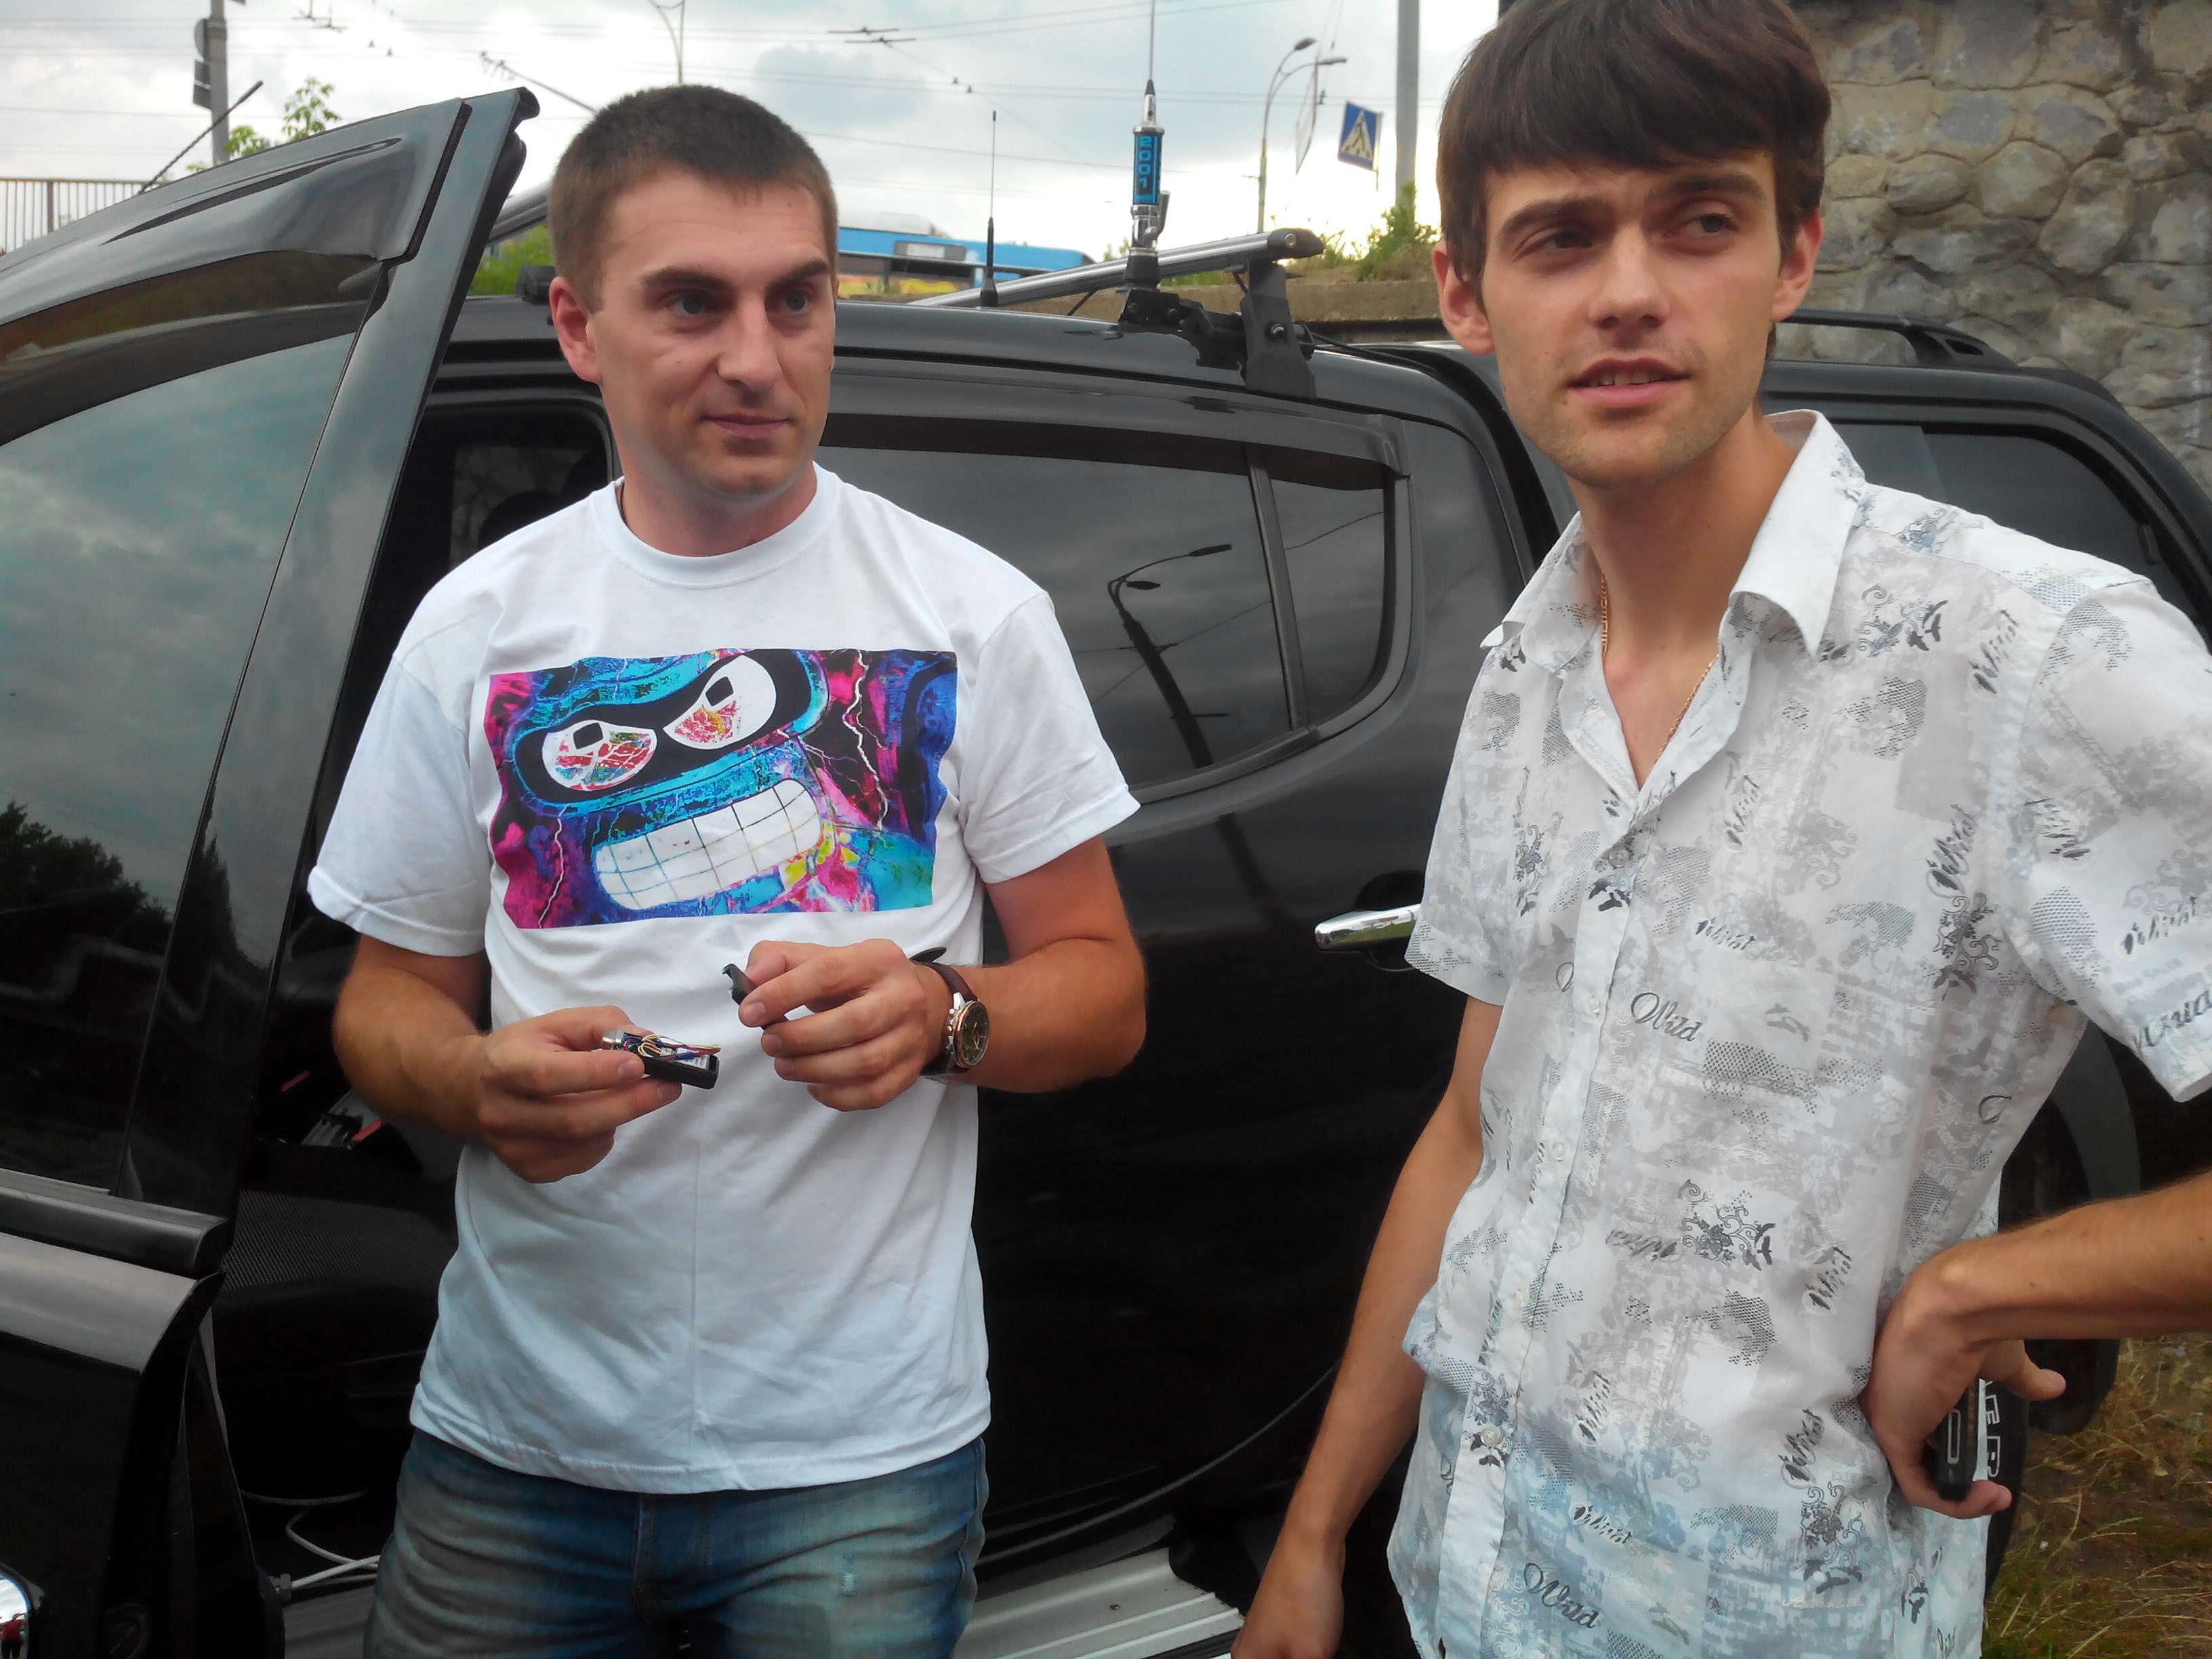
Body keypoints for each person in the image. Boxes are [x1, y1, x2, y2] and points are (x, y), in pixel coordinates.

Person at [1231, 2, 2212, 1655]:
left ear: (1793, 252)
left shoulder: (2037, 656)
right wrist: (1321, 1533)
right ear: (1464, 293)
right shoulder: (1524, 668)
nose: (1628, 290)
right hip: (1464, 1580)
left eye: (1697, 221)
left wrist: (1986, 1285)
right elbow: (1476, 1134)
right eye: (1561, 237)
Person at [312, 86, 1147, 1658]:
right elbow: (383, 1004)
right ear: (580, 326)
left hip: (860, 1462)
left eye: (796, 300)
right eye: (693, 302)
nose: (757, 358)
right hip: (517, 1440)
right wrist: (472, 1081)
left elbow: (1103, 994)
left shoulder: (974, 616)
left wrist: (944, 1018)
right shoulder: (479, 628)